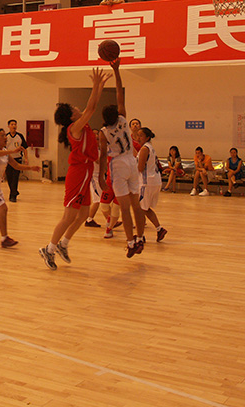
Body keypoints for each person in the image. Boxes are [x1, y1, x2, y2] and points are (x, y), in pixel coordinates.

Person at [40, 67, 111, 270]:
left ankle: (63, 244)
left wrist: (100, 86)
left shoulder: (80, 126)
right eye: (72, 107)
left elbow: (91, 107)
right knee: (69, 216)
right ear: (71, 116)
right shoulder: (75, 128)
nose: (76, 107)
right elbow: (91, 108)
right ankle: (49, 249)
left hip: (86, 172)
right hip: (78, 173)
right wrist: (96, 85)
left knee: (82, 215)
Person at [97, 59, 146, 258]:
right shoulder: (124, 119)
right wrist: (116, 71)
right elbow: (119, 93)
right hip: (132, 162)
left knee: (124, 208)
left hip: (118, 165)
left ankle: (130, 242)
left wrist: (101, 177)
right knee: (136, 205)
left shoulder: (103, 133)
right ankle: (140, 237)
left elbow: (102, 156)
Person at [0, 128, 40, 248]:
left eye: (5, 135)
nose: (5, 137)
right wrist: (12, 151)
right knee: (2, 208)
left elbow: (16, 165)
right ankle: (4, 239)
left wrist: (31, 168)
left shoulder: (5, 152)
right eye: (2, 135)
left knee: (1, 210)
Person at [136, 127, 167, 242]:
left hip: (146, 182)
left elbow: (140, 168)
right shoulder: (149, 147)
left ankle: (140, 236)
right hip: (154, 181)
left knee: (140, 209)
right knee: (145, 208)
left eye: (141, 135)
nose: (138, 138)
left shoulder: (145, 149)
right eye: (137, 135)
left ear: (147, 137)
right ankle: (159, 229)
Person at [5, 119, 28, 202]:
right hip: (8, 159)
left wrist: (26, 158)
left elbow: (24, 148)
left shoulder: (20, 136)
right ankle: (14, 191)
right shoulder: (6, 137)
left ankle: (13, 196)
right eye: (12, 124)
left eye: (15, 124)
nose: (14, 126)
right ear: (8, 126)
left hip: (17, 159)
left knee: (15, 177)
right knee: (9, 177)